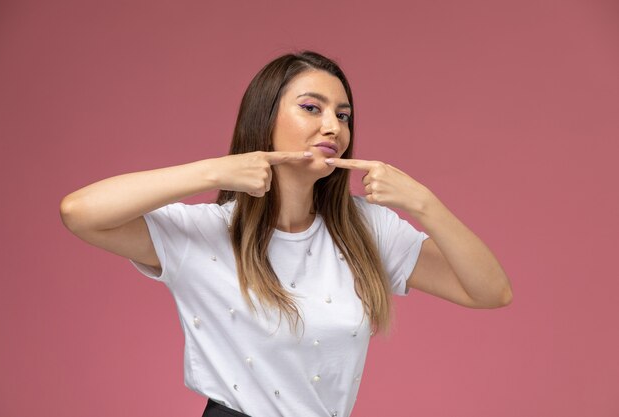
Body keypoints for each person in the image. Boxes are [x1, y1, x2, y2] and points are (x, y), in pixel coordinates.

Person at [60, 51, 513, 417]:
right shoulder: (206, 234)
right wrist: (215, 170)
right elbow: (80, 212)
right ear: (265, 119)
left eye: (343, 114)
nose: (333, 127)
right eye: (311, 108)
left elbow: (491, 291)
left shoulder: (365, 231)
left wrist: (424, 204)